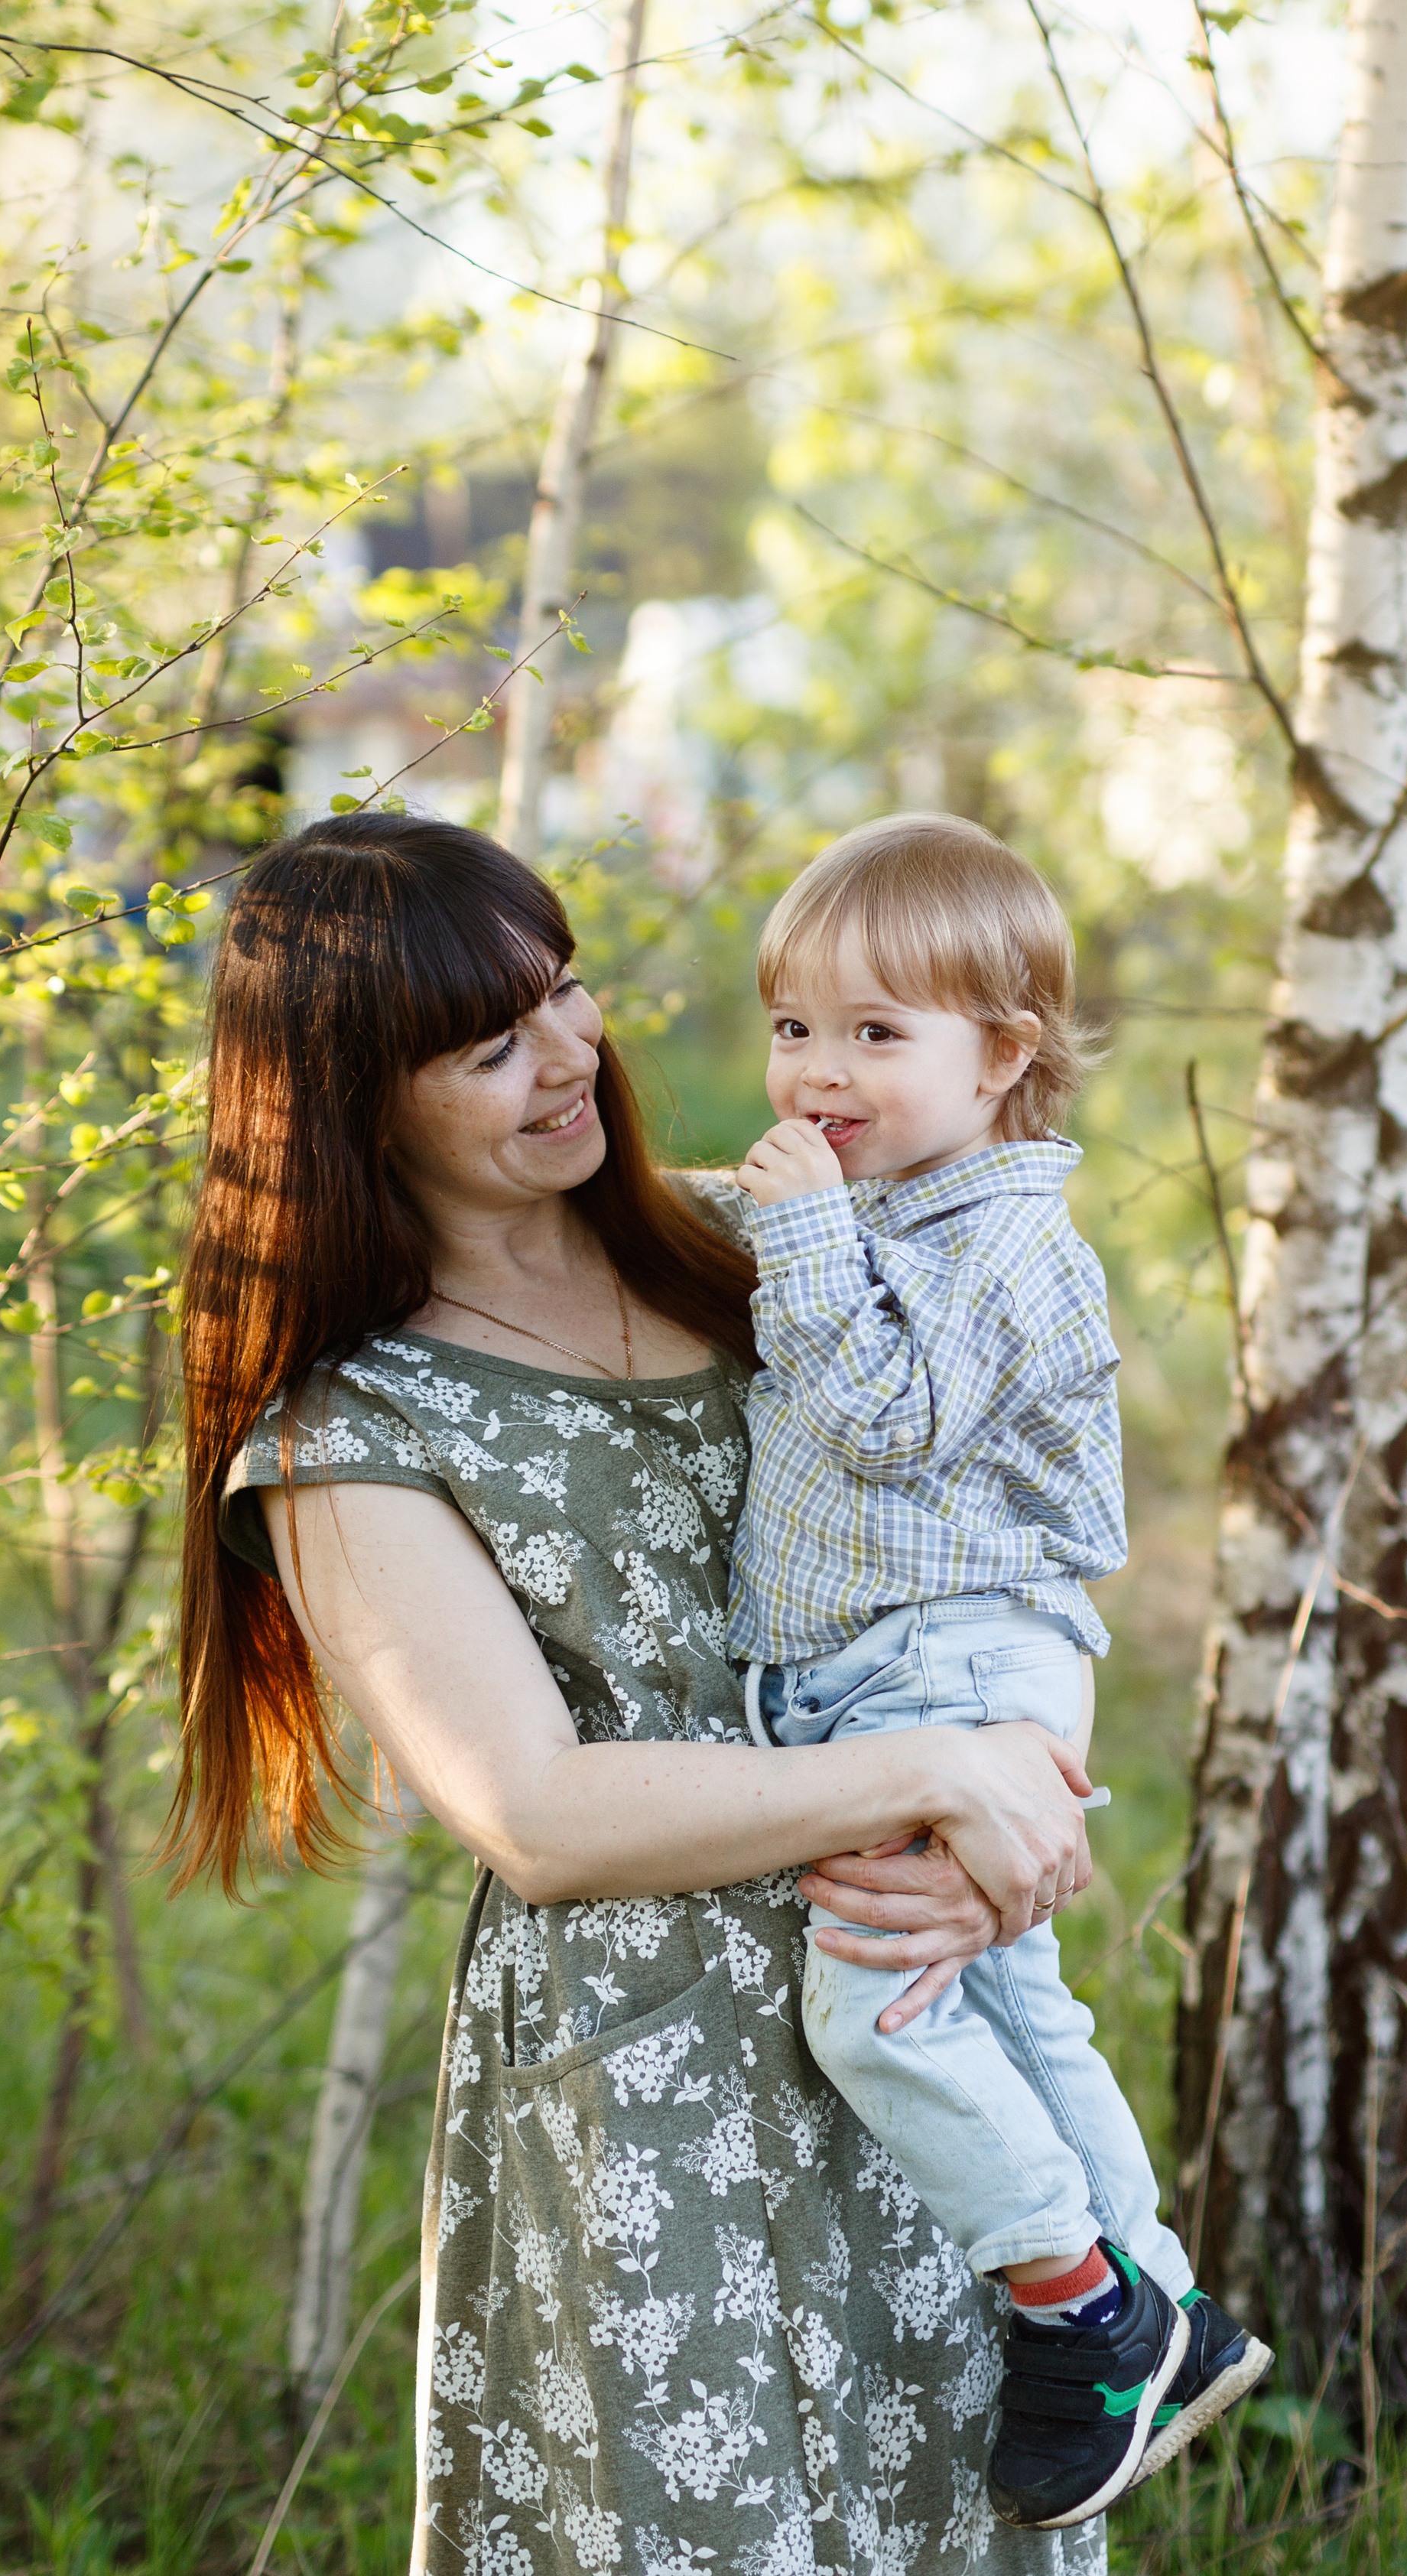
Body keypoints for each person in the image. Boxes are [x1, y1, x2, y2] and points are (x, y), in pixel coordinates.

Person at [175, 811, 1112, 2576]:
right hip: (647, 2088)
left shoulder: (761, 1254)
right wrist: (932, 1767)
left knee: (957, 2519)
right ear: (352, 1103)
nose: (570, 1053)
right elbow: (534, 1816)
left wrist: (1022, 1783)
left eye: (566, 991)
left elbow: (1002, 1538)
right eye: (488, 1044)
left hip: (904, 2001)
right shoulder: (349, 1434)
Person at [729, 815, 1272, 2531]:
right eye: (796, 1026)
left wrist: (803, 1240)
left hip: (945, 1671)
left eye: (877, 1034)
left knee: (873, 2008)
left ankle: (1074, 2308)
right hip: (915, 1668)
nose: (819, 1071)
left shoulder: (1007, 1243)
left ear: (1004, 1055)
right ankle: (1162, 2305)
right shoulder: (900, 1209)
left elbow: (888, 1428)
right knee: (1019, 2013)